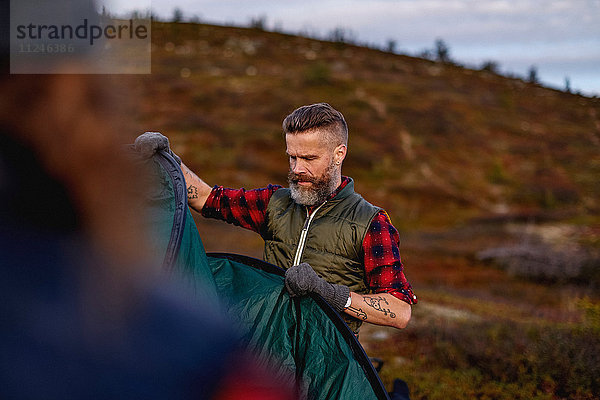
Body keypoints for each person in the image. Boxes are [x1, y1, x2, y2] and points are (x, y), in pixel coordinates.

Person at [137, 103, 417, 334]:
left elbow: (399, 310)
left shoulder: (371, 222)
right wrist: (169, 160)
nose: (297, 169)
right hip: (271, 346)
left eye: (309, 158)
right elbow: (208, 199)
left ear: (339, 154)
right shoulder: (276, 203)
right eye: (292, 157)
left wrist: (327, 292)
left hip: (327, 360)